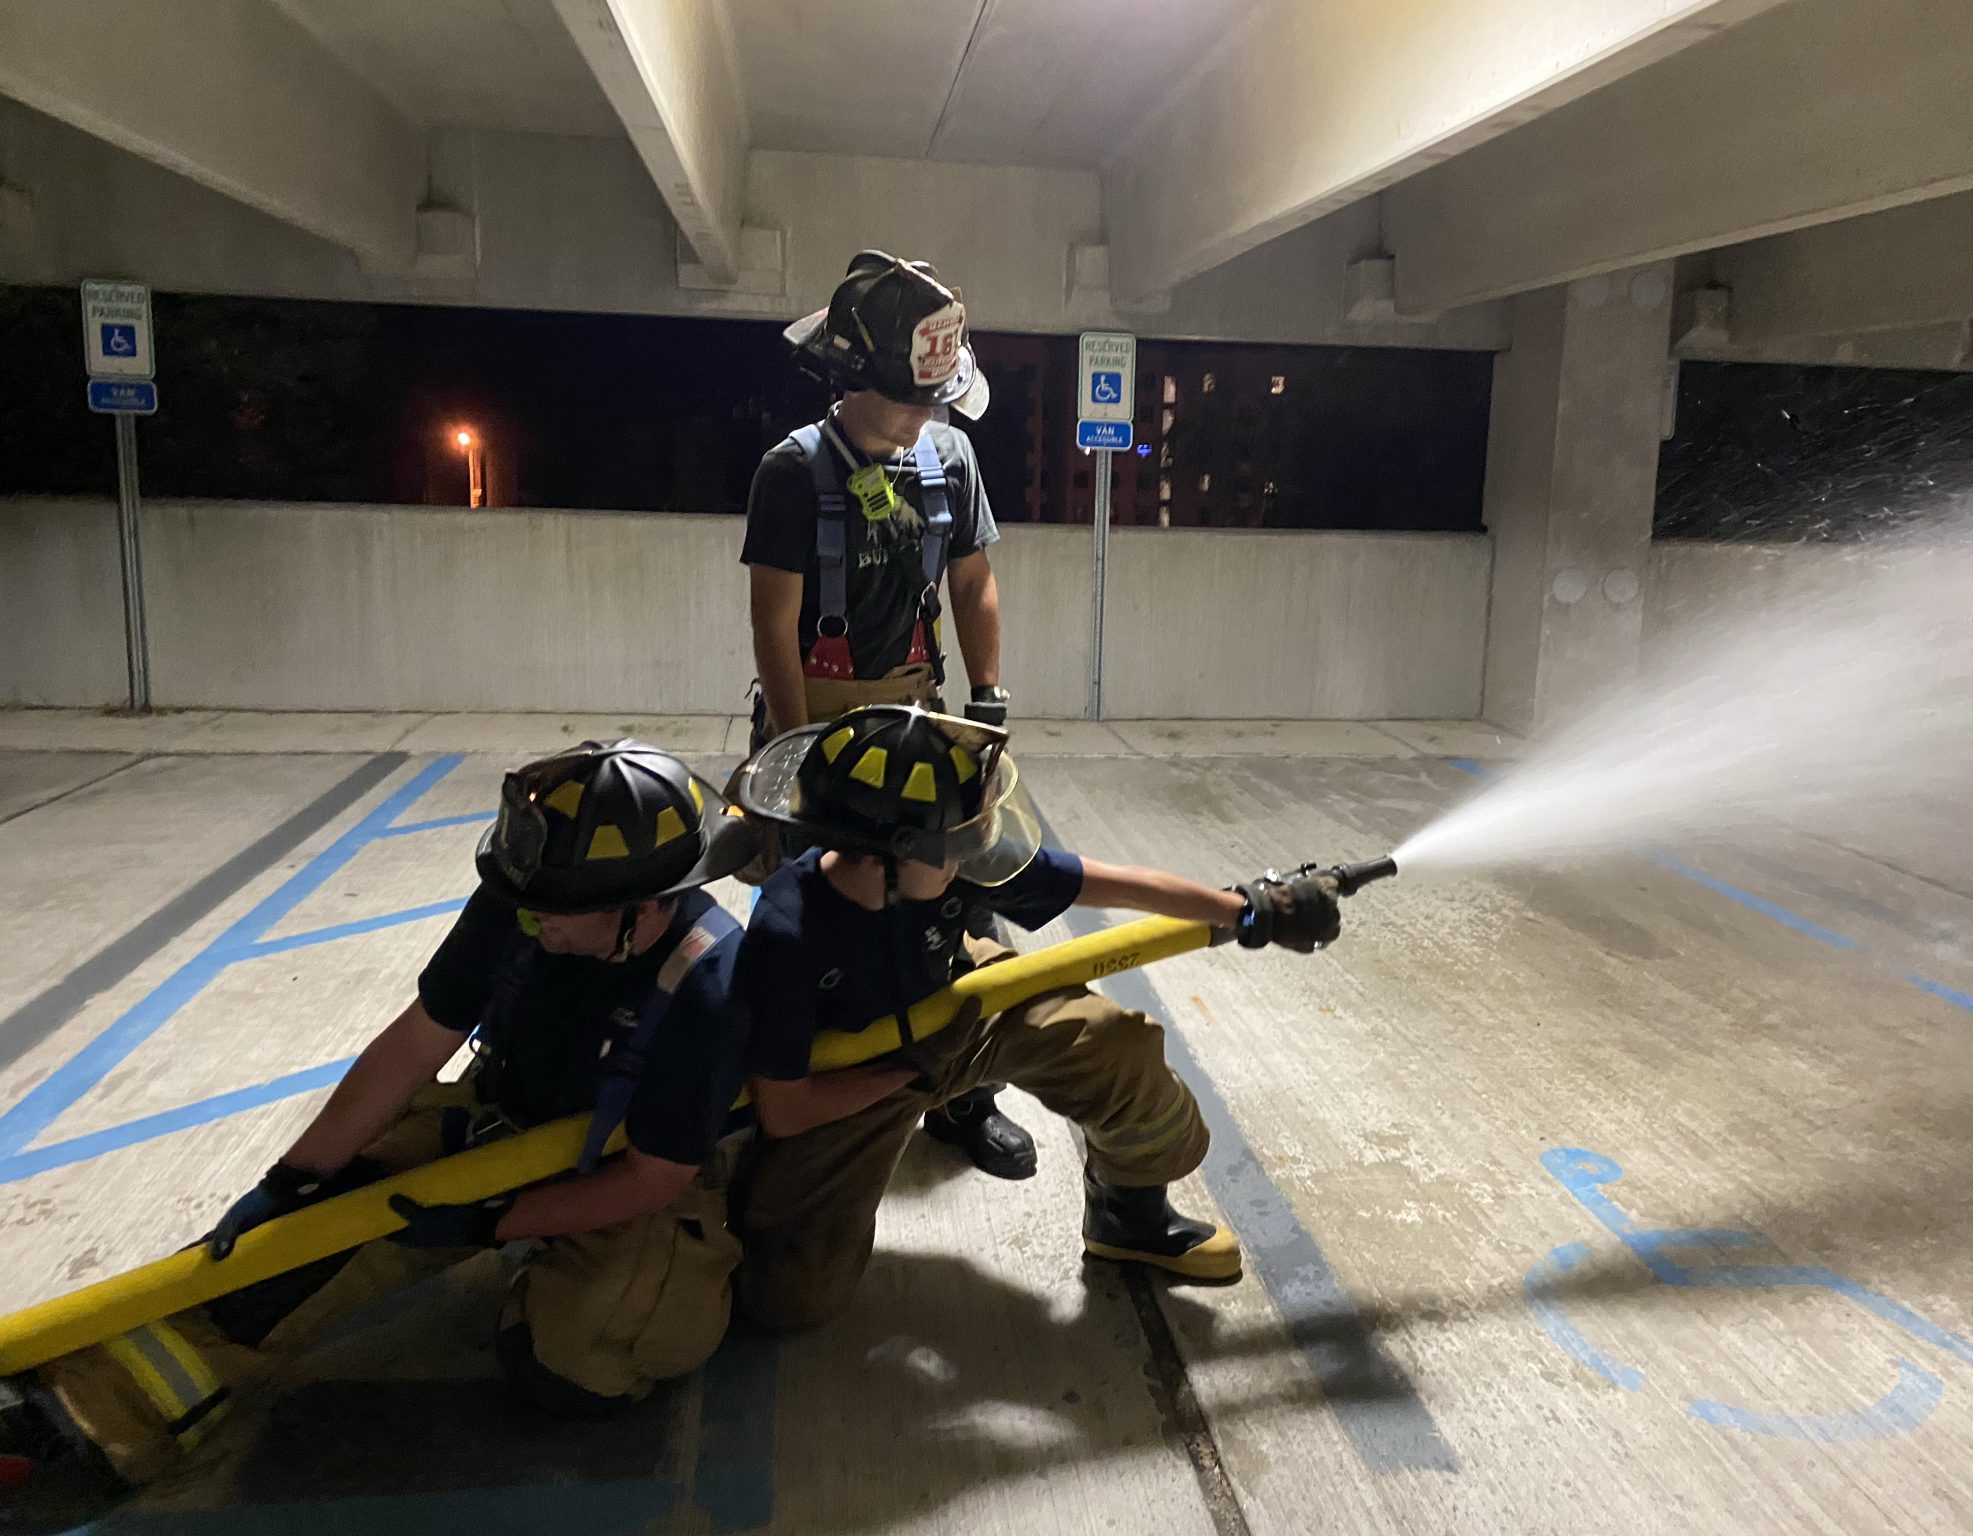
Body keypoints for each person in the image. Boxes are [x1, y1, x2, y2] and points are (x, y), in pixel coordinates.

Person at [0, 742, 759, 1494]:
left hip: (626, 1176)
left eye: (552, 910)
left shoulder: (708, 981)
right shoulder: (526, 897)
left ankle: (559, 1289)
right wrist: (294, 1180)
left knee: (577, 1367)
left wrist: (489, 1222)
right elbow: (413, 1046)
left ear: (643, 907)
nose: (529, 919)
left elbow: (653, 1178)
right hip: (504, 1132)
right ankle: (82, 1412)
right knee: (288, 1253)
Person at [724, 704, 1344, 1333]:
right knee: (789, 1301)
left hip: (962, 1000)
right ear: (890, 858)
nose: (971, 855)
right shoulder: (788, 934)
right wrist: (909, 1076)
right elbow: (786, 1108)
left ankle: (1128, 1218)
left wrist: (1245, 910)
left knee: (1113, 1047)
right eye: (956, 847)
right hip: (852, 1076)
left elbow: (1115, 885)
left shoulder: (948, 859)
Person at [741, 248, 1029, 1181]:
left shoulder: (950, 459)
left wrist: (984, 704)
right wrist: (793, 754)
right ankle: (815, 1100)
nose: (922, 419)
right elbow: (775, 622)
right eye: (906, 400)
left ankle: (959, 1094)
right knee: (824, 914)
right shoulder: (792, 473)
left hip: (916, 708)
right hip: (815, 712)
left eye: (934, 402)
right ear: (846, 376)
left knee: (946, 906)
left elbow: (974, 582)